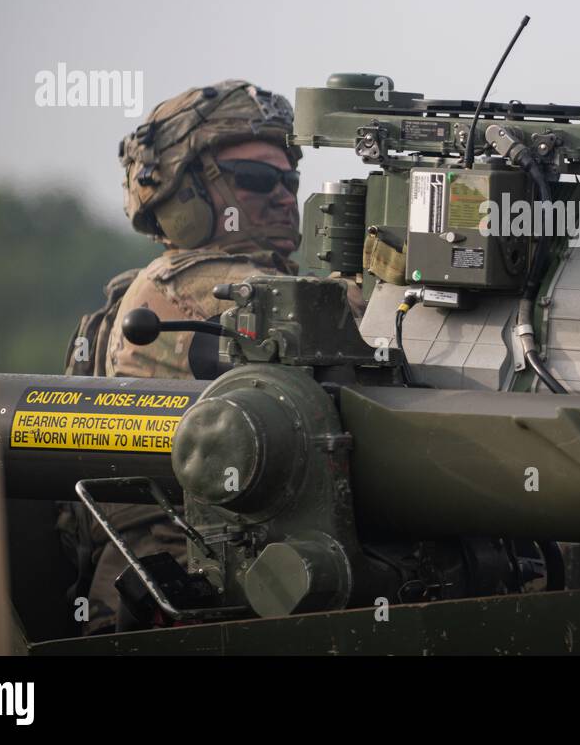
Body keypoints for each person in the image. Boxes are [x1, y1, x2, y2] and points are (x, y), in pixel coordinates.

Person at [59, 80, 363, 633]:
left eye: (290, 179)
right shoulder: (185, 285)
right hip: (184, 593)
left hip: (226, 577)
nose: (283, 195)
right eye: (255, 179)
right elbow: (339, 319)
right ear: (184, 191)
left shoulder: (249, 283)